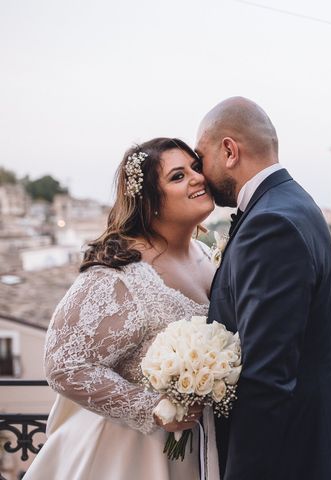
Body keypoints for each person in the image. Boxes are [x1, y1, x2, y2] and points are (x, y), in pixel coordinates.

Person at [23, 138, 220, 480]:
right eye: (177, 176)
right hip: (127, 457)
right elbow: (63, 363)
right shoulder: (121, 275)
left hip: (196, 451)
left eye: (196, 167)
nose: (197, 178)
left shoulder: (207, 255)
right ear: (150, 201)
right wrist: (153, 407)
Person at [196, 97, 331, 479]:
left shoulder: (270, 224)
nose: (199, 173)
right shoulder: (294, 203)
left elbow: (266, 379)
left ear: (228, 150)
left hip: (295, 460)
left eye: (200, 157)